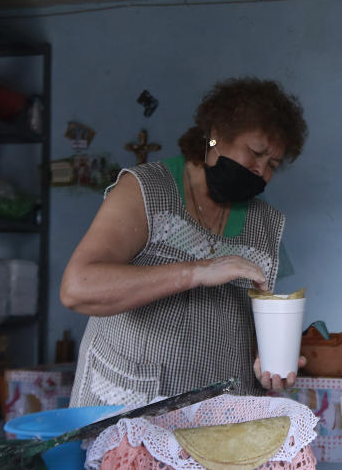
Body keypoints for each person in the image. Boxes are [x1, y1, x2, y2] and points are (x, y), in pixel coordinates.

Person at [61, 77, 308, 408]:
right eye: (255, 152)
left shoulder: (265, 224)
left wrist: (265, 358)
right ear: (216, 135)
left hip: (218, 415)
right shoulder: (146, 190)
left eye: (272, 164)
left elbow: (253, 324)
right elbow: (77, 288)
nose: (260, 170)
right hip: (129, 409)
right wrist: (196, 272)